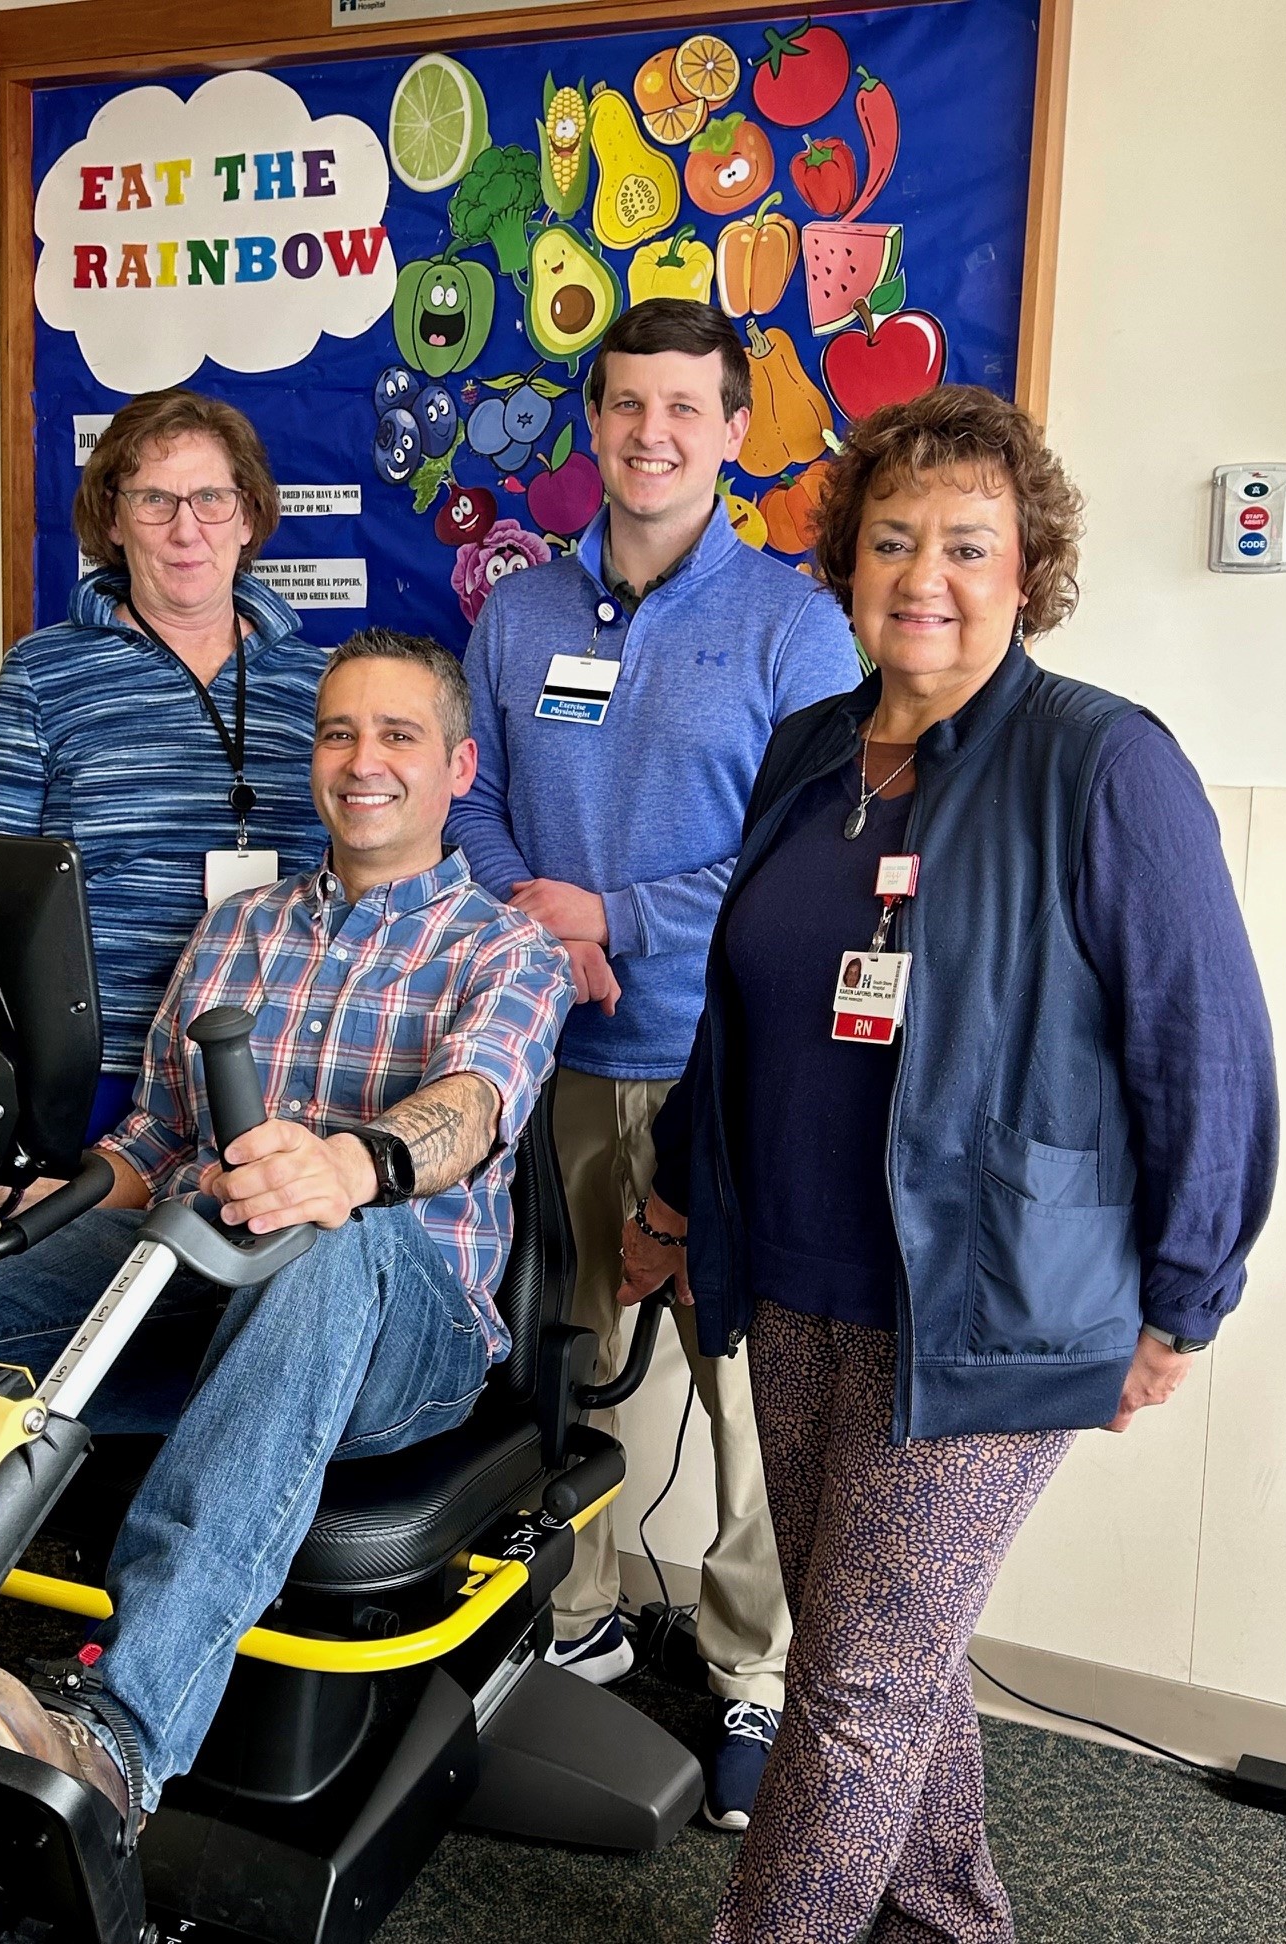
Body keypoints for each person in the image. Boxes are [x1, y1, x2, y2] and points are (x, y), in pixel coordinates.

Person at [621, 385, 1278, 1943]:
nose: (927, 576)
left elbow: (1205, 1045)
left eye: (969, 545)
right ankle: (946, 1923)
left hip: (994, 1301)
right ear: (846, 564)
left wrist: (1185, 1299)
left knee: (851, 1680)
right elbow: (742, 1006)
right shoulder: (807, 753)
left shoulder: (1102, 762)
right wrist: (676, 1195)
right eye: (893, 540)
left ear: (1028, 569)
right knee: (889, 1657)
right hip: (798, 1276)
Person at [0, 629, 573, 1825]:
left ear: (458, 767)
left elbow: (473, 1108)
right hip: (203, 1290)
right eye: (338, 733)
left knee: (325, 1234)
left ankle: (117, 1734)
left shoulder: (507, 949)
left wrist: (352, 1163)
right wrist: (40, 1211)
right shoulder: (239, 928)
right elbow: (154, 1142)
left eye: (398, 735)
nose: (362, 761)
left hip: (400, 1340)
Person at [450, 297, 861, 1828]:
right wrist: (534, 916)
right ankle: (581, 1618)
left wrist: (613, 914)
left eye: (687, 407)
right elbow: (469, 800)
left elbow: (813, 850)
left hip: (724, 1070)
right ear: (593, 419)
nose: (653, 433)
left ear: (735, 429)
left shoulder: (794, 626)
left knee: (744, 1383)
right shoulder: (518, 614)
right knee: (560, 1356)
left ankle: (760, 1672)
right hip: (544, 1055)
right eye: (628, 403)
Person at [0, 388, 329, 1140]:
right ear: (113, 520)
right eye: (155, 500)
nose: (186, 528)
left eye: (211, 498)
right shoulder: (41, 672)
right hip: (92, 1063)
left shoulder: (321, 683)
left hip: (281, 1059)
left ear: (248, 517)